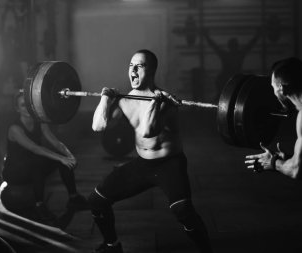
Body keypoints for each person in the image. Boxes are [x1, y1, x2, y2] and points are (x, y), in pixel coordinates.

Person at [88, 49, 213, 253]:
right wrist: (105, 99)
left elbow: (148, 131)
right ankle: (112, 245)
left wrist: (157, 102)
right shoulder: (124, 100)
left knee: (184, 212)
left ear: (152, 71)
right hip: (143, 163)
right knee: (96, 201)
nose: (133, 70)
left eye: (140, 66)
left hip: (170, 164)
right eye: (131, 65)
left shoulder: (166, 103)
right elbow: (98, 126)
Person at [1, 91, 87, 222]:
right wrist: (61, 158)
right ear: (17, 109)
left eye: (29, 104)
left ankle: (73, 198)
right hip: (15, 171)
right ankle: (39, 206)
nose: (27, 108)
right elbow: (35, 148)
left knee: (59, 160)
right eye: (23, 105)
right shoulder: (14, 128)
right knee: (39, 162)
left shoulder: (39, 121)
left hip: (35, 164)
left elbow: (54, 141)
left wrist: (68, 156)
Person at [245, 57, 302, 178]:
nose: (273, 93)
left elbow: (297, 171)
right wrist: (287, 160)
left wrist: (273, 163)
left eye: (273, 87)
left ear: (282, 88)